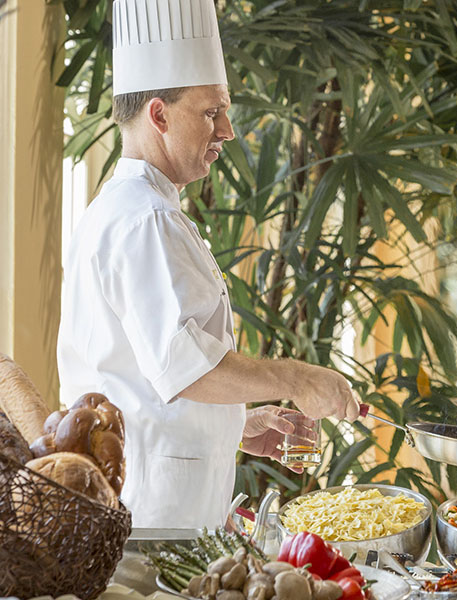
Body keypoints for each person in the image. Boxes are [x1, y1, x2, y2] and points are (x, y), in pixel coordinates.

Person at [57, 0, 359, 528]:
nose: (228, 131)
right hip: (149, 520)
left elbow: (142, 377)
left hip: (160, 513)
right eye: (211, 112)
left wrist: (238, 423)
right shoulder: (144, 220)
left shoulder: (134, 209)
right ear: (159, 115)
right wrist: (296, 377)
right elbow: (187, 366)